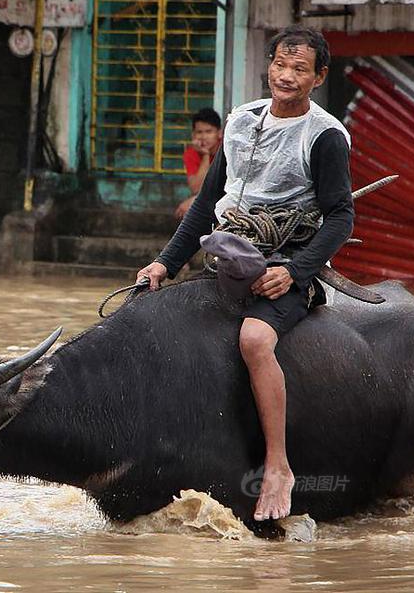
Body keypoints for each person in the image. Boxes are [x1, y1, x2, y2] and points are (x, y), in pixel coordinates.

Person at [135, 26, 354, 521]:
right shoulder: (239, 122)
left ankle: (278, 466)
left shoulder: (324, 137)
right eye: (280, 64)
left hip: (285, 261)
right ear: (269, 65)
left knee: (255, 340)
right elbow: (207, 204)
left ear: (318, 77)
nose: (287, 76)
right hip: (228, 256)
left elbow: (341, 216)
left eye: (300, 69)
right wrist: (164, 263)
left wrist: (296, 272)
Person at [175, 108, 222, 219]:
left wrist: (193, 200)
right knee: (187, 210)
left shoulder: (226, 148)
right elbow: (196, 188)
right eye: (199, 132)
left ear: (219, 133)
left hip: (227, 196)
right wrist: (205, 156)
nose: (204, 137)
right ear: (193, 135)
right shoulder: (191, 153)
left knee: (192, 204)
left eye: (209, 132)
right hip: (207, 198)